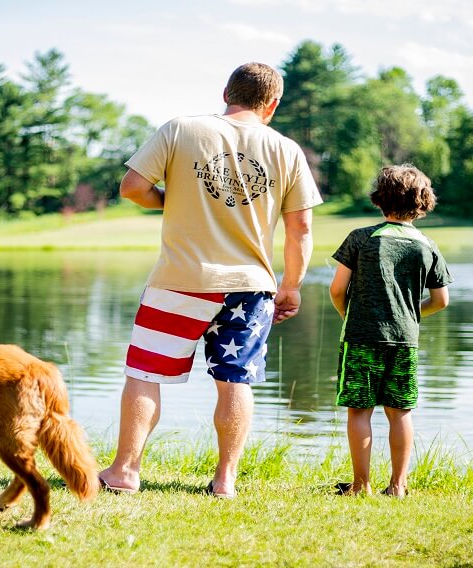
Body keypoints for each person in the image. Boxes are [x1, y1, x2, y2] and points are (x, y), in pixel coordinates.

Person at [98, 62, 323, 497]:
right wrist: (291, 285)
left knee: (146, 374)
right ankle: (225, 481)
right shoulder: (287, 149)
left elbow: (131, 187)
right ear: (272, 105)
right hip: (251, 284)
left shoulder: (180, 129)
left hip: (179, 280)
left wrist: (168, 199)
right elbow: (301, 229)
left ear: (226, 92)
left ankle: (125, 471)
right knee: (235, 379)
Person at [329, 164, 452, 498]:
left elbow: (337, 290)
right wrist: (412, 314)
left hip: (361, 336)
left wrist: (348, 316)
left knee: (359, 410)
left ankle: (360, 485)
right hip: (404, 340)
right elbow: (441, 300)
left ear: (379, 200)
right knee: (400, 412)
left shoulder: (360, 237)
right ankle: (398, 486)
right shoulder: (426, 245)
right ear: (422, 202)